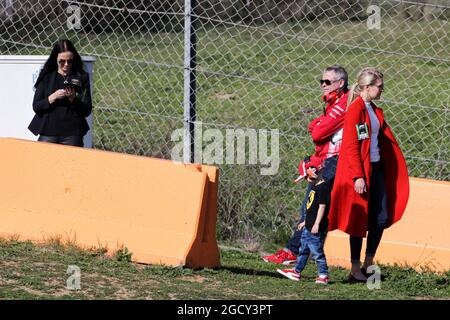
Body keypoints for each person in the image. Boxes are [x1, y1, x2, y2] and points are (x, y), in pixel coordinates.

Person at [328, 67, 409, 282]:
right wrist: (358, 176)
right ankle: (355, 268)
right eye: (379, 87)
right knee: (358, 218)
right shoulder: (355, 109)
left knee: (381, 217)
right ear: (366, 87)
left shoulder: (372, 108)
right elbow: (351, 146)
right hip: (361, 172)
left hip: (376, 168)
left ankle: (368, 263)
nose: (382, 90)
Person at [262, 65, 349, 265]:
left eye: (327, 82)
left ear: (340, 83)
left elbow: (318, 132)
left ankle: (296, 254)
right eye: (321, 82)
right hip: (326, 159)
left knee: (312, 208)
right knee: (312, 208)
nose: (323, 86)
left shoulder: (342, 103)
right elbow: (319, 131)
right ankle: (301, 253)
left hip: (334, 162)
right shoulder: (333, 101)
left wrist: (317, 126)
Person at [28, 39, 92, 147]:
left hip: (73, 133)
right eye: (62, 61)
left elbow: (87, 110)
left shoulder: (81, 76)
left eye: (69, 61)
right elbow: (36, 106)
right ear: (55, 59)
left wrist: (73, 99)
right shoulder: (47, 76)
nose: (66, 65)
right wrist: (52, 97)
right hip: (48, 131)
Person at [276, 170, 332, 285]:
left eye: (308, 177)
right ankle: (296, 272)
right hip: (308, 226)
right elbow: (312, 208)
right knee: (303, 250)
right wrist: (305, 221)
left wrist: (316, 224)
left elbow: (322, 208)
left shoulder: (323, 188)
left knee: (317, 252)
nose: (307, 180)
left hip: (315, 228)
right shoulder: (314, 186)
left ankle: (323, 275)